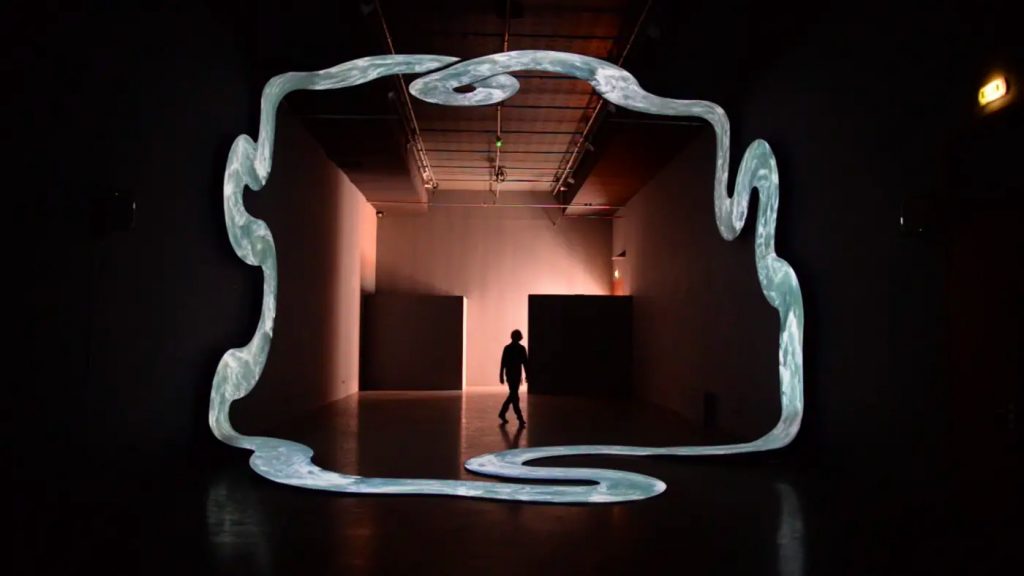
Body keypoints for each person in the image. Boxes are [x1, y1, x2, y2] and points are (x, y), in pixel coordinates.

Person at [499, 329, 528, 426]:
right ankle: (520, 418)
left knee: (513, 395)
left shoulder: (507, 348)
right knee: (514, 396)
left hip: (510, 375)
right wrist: (527, 375)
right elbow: (525, 364)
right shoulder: (521, 349)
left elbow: (503, 363)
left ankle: (503, 413)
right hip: (516, 375)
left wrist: (501, 375)